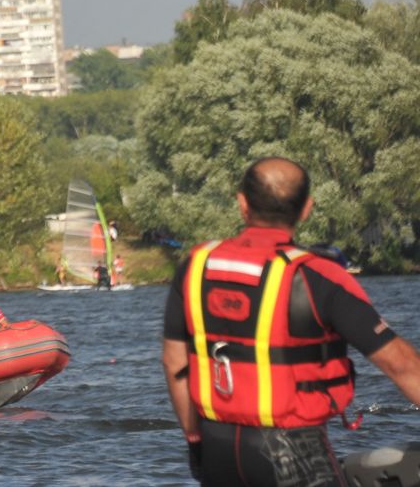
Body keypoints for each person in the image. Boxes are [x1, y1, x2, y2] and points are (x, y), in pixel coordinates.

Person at [163, 157, 420, 486]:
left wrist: (194, 441)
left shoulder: (195, 266)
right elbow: (402, 365)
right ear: (306, 209)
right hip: (292, 450)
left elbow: (174, 364)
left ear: (242, 204)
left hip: (217, 448)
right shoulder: (319, 275)